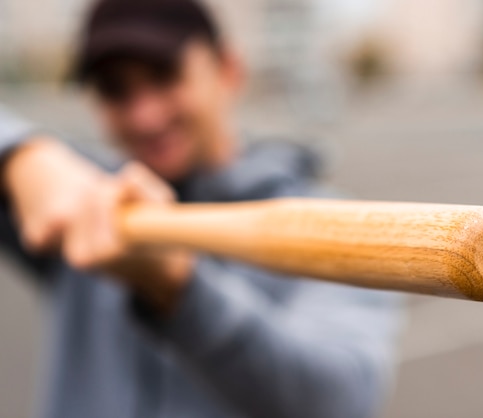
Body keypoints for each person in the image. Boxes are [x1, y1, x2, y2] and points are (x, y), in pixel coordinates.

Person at [0, 1, 402, 418]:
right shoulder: (88, 202)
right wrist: (23, 155)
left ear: (228, 68)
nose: (145, 116)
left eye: (164, 75)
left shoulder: (332, 224)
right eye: (114, 89)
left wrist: (180, 286)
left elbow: (336, 402)